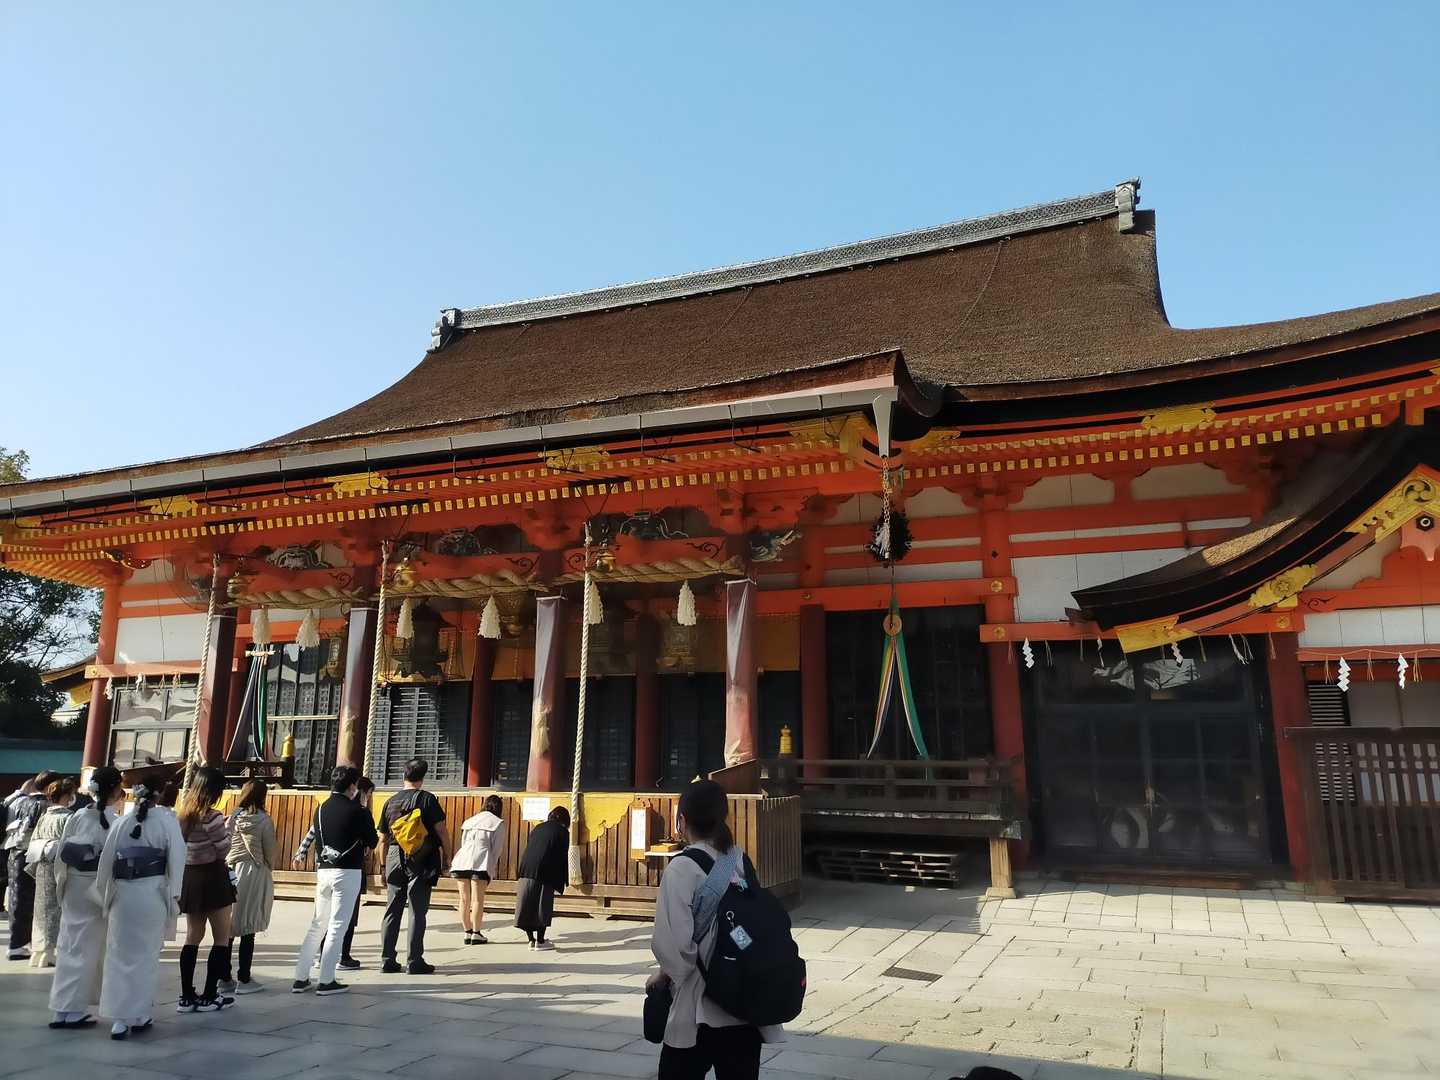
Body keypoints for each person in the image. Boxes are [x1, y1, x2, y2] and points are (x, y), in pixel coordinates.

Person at [648, 780, 783, 1080]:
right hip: (746, 1004)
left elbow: (676, 949)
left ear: (682, 820)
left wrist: (665, 975)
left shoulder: (681, 868)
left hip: (700, 1012)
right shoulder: (738, 859)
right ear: (722, 816)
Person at [96, 780, 186, 1040]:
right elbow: (177, 858)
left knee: (118, 954)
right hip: (152, 893)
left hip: (123, 894)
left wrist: (105, 892)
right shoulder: (167, 822)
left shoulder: (122, 822)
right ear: (159, 795)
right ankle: (139, 1013)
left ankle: (119, 1018)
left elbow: (106, 862)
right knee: (145, 956)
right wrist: (174, 893)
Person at [49, 766, 125, 1028]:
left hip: (73, 884)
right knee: (88, 948)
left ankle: (62, 1008)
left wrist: (62, 882)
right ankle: (73, 1009)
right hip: (97, 887)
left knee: (70, 944)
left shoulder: (79, 816)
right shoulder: (116, 822)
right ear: (116, 790)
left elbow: (62, 854)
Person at [292, 766, 377, 996]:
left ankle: (301, 978)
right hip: (347, 871)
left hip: (324, 871)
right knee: (338, 925)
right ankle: (326, 979)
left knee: (318, 924)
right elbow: (372, 840)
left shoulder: (320, 808)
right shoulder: (358, 811)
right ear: (352, 786)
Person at [378, 758, 449, 975]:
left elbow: (382, 839)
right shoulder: (427, 799)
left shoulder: (390, 801)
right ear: (423, 777)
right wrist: (447, 855)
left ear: (404, 775)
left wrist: (382, 866)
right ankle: (414, 960)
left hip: (393, 854)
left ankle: (387, 959)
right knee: (417, 910)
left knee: (392, 909)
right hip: (421, 856)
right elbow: (441, 830)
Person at [176, 765, 236, 1012]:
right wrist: (229, 830)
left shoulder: (183, 815)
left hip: (190, 877)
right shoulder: (212, 816)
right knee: (221, 937)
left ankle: (186, 996)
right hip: (213, 876)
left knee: (192, 936)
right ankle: (209, 995)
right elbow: (223, 849)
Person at [225, 779, 277, 994]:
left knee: (227, 927)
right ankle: (244, 978)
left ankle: (224, 977)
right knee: (249, 925)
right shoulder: (264, 820)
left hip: (230, 870)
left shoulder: (232, 817)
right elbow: (270, 852)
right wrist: (268, 868)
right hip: (253, 870)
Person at [26, 776, 79, 967]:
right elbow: (72, 845)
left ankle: (38, 951)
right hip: (60, 865)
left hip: (42, 863)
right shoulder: (69, 817)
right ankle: (49, 952)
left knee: (41, 908)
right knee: (56, 908)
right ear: (67, 795)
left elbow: (34, 840)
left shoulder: (44, 816)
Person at [5, 770, 59, 960]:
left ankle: (17, 943)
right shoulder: (45, 806)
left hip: (13, 852)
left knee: (16, 898)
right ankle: (20, 944)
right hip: (33, 855)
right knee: (32, 901)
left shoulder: (18, 802)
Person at [452, 795, 506, 945]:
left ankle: (467, 932)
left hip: (462, 860)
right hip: (481, 861)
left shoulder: (470, 821)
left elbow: (463, 842)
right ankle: (476, 933)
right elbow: (497, 849)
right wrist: (491, 867)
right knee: (477, 899)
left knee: (463, 899)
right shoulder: (497, 823)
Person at [514, 805, 569, 950]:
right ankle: (540, 941)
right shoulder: (562, 831)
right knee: (541, 906)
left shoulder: (538, 828)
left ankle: (531, 940)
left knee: (526, 905)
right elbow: (562, 856)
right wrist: (563, 880)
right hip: (545, 871)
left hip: (525, 869)